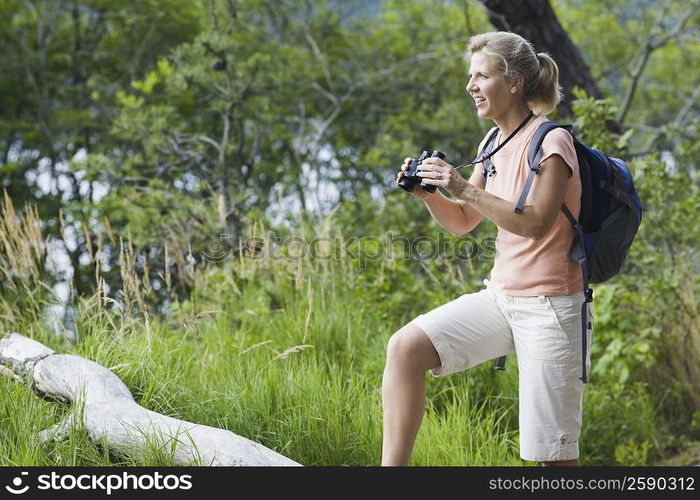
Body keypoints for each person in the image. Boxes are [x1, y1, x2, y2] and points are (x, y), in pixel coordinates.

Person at [385, 31, 592, 467]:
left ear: (514, 82)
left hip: (552, 308)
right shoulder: (491, 144)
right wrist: (431, 195)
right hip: (502, 298)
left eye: (481, 75)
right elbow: (463, 221)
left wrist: (461, 185)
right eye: (470, 76)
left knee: (551, 459)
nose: (470, 86)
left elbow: (534, 223)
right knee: (405, 349)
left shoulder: (552, 142)